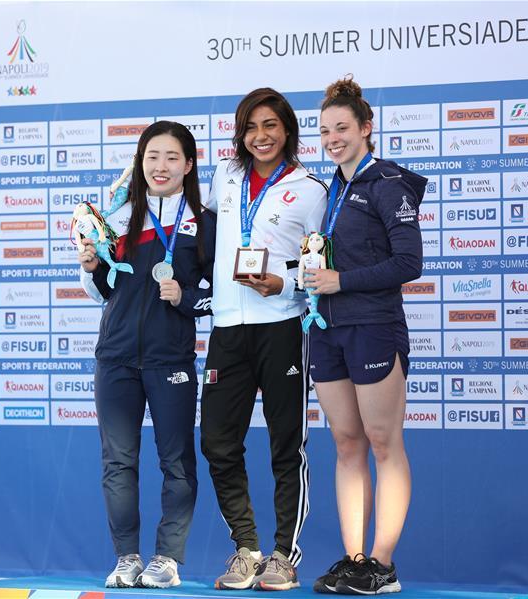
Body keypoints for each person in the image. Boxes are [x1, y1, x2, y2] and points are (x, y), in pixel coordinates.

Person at [78, 121, 215, 589]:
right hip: (115, 358)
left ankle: (168, 558)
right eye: (152, 156)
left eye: (172, 157)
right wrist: (92, 266)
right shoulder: (119, 217)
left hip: (170, 359)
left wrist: (185, 296)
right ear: (140, 162)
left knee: (176, 462)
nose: (161, 166)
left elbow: (218, 294)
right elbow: (104, 291)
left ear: (189, 165)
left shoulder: (205, 222)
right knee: (118, 461)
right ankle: (126, 557)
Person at [304, 76, 427, 595]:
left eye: (342, 128)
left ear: (366, 129)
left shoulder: (388, 183)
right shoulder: (328, 187)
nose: (333, 138)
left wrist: (342, 280)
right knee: (346, 442)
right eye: (325, 130)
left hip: (373, 328)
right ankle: (355, 558)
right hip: (326, 330)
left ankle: (383, 564)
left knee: (382, 441)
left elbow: (409, 262)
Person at [201, 87, 328, 591]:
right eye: (251, 127)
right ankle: (247, 548)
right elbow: (197, 230)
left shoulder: (312, 188)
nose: (261, 136)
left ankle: (283, 555)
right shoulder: (224, 178)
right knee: (217, 441)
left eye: (270, 125)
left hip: (282, 325)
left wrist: (285, 282)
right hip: (228, 327)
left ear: (288, 131)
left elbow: (320, 260)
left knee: (285, 446)